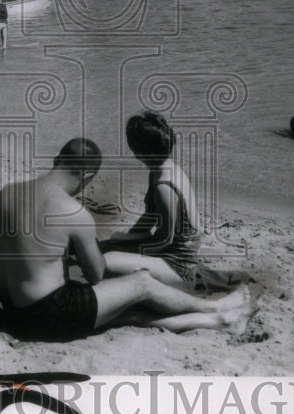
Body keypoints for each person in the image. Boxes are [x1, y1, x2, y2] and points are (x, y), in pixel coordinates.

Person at [0, 137, 256, 340]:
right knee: (141, 283)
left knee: (130, 311)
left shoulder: (7, 192)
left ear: (57, 161)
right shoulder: (73, 212)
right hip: (47, 316)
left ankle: (219, 320)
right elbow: (96, 275)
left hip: (12, 311)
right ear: (86, 176)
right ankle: (214, 306)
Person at [99, 111, 248, 291]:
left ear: (139, 150)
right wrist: (123, 241)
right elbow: (150, 216)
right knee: (108, 246)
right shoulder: (162, 168)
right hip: (173, 247)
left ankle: (189, 281)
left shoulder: (164, 187)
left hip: (178, 262)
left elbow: (164, 242)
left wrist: (124, 251)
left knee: (106, 262)